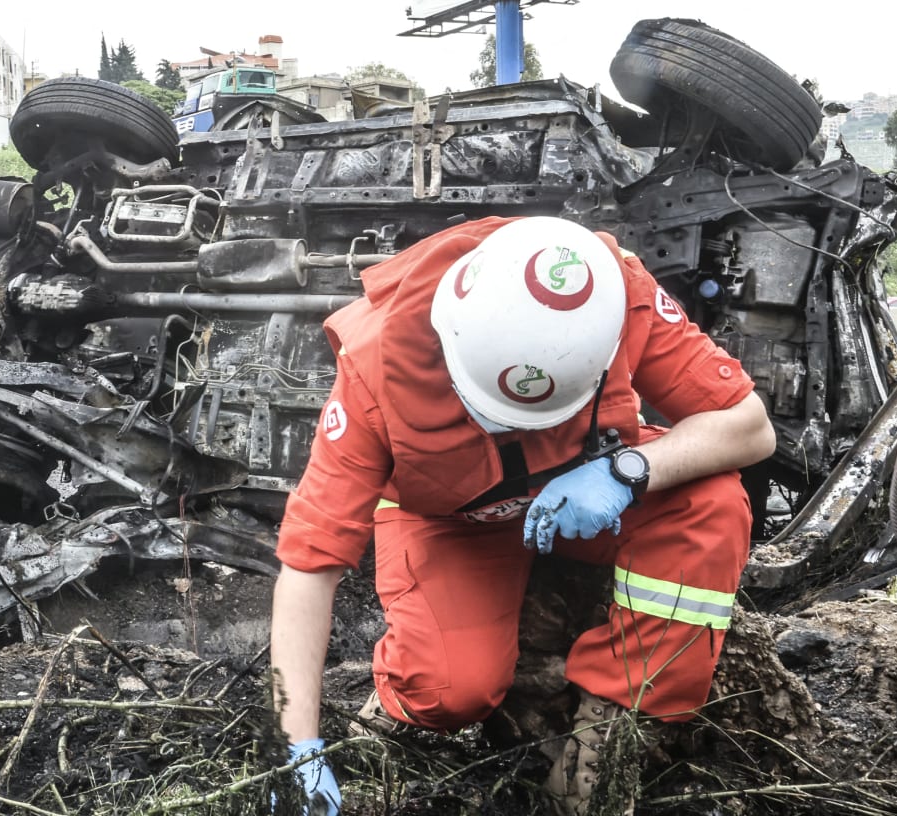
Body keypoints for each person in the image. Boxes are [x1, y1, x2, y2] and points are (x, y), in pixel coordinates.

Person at [268, 216, 776, 816]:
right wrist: (297, 746)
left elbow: (749, 426)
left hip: (587, 500)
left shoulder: (614, 296)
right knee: (448, 690)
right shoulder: (377, 366)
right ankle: (393, 711)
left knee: (710, 503)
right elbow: (309, 563)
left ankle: (607, 741)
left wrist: (626, 473)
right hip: (454, 523)